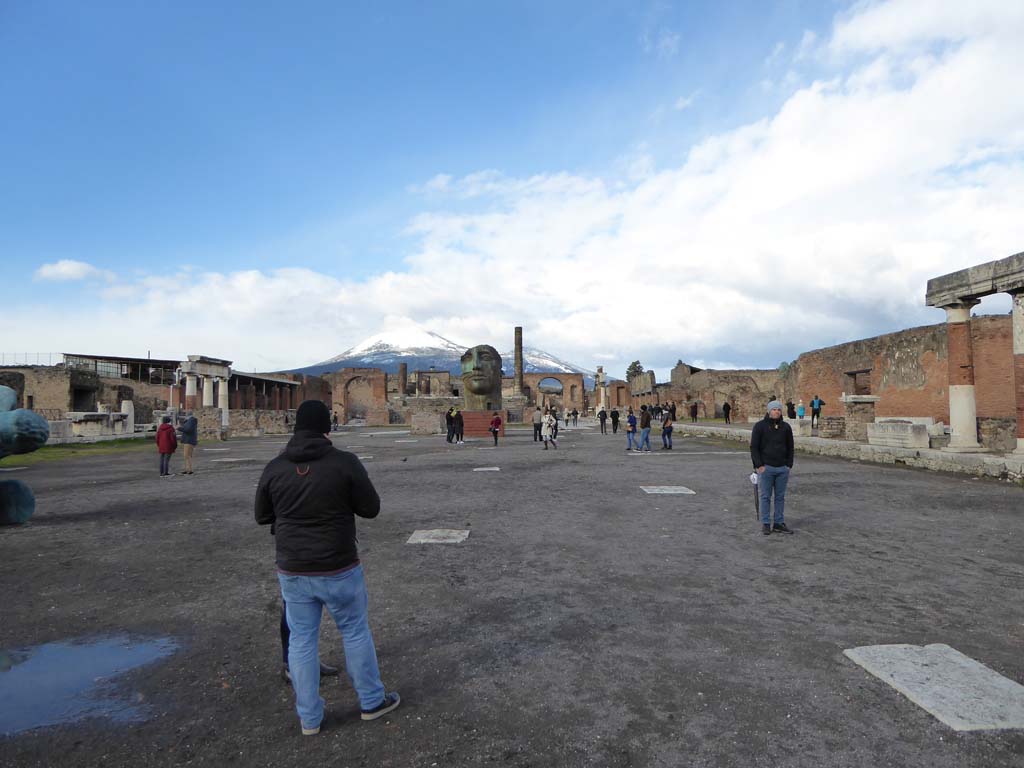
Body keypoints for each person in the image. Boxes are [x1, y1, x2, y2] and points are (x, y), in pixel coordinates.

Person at [255, 400, 400, 735]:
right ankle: (371, 701)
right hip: (338, 565)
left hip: (292, 568)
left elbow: (262, 515)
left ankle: (309, 718)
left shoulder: (275, 468)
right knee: (354, 631)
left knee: (301, 640)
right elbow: (371, 508)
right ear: (327, 427)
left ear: (295, 428)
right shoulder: (343, 463)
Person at [750, 400, 795, 536]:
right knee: (765, 497)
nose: (776, 412)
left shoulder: (786, 427)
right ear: (769, 411)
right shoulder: (760, 426)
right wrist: (759, 465)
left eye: (779, 410)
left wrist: (789, 464)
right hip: (766, 467)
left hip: (782, 468)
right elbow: (754, 447)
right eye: (774, 409)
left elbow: (790, 447)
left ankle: (778, 522)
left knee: (780, 497)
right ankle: (765, 523)